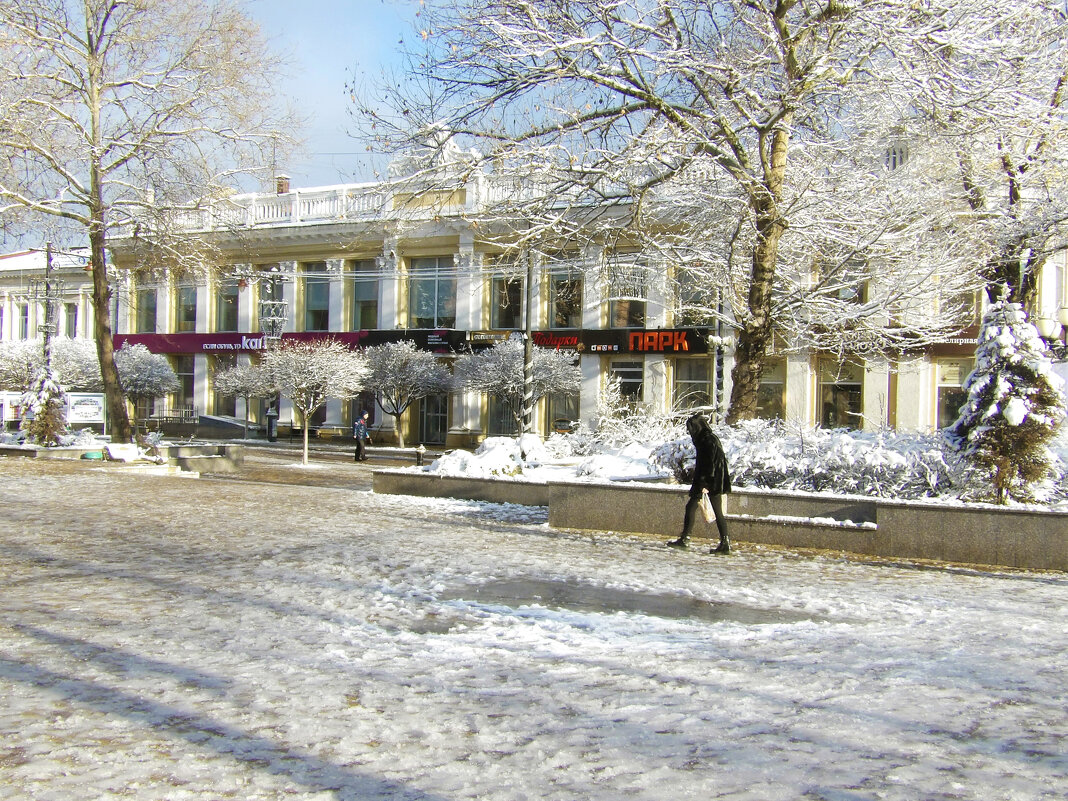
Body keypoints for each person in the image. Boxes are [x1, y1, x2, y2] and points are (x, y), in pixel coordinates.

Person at [668, 413, 732, 554]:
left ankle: (685, 538)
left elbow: (709, 464)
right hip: (715, 481)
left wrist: (704, 484)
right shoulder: (710, 438)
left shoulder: (706, 441)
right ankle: (725, 542)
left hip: (707, 481)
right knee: (717, 511)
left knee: (691, 507)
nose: (690, 433)